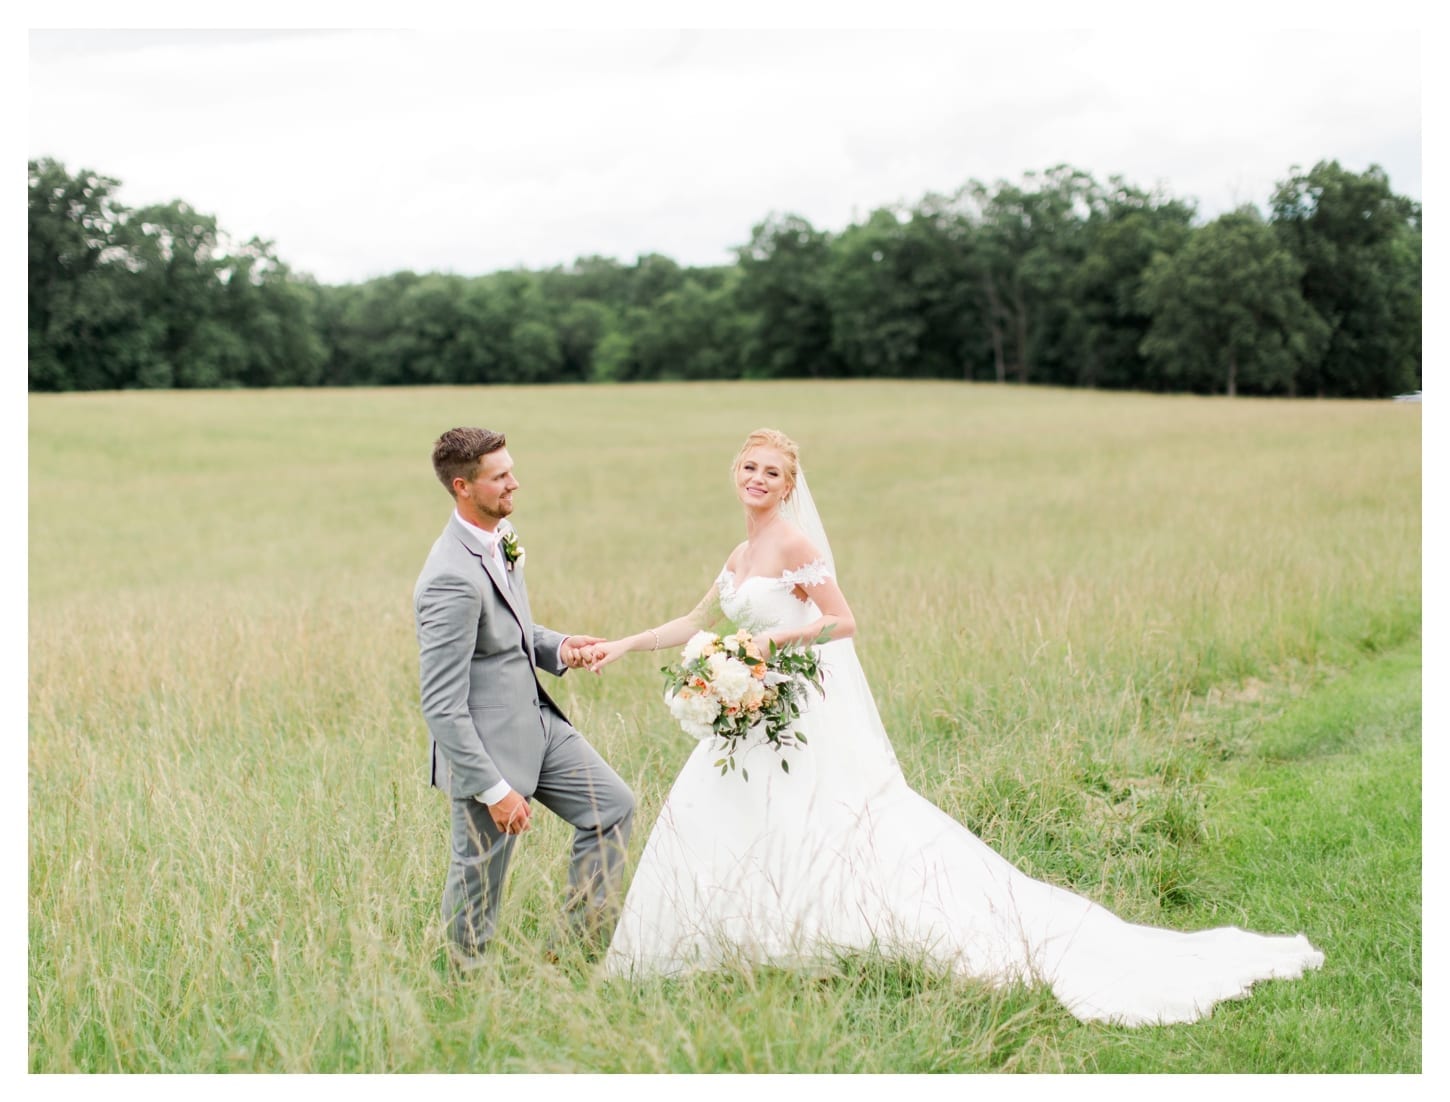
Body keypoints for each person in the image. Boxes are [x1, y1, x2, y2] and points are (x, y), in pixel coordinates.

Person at [582, 428, 1324, 1026]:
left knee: (827, 823)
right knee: (728, 818)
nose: (758, 480)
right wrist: (621, 645)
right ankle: (734, 945)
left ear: (789, 486)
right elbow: (692, 621)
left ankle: (834, 936)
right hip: (745, 716)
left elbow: (843, 622)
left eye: (773, 473)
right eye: (750, 467)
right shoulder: (740, 553)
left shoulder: (798, 548)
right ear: (734, 472)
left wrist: (766, 647)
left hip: (793, 710)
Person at [414, 427, 634, 971]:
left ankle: (574, 958)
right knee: (478, 878)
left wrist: (560, 645)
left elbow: (508, 633)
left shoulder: (500, 534)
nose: (516, 482)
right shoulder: (449, 577)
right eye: (501, 476)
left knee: (612, 807)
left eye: (511, 469)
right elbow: (441, 704)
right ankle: (462, 989)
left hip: (539, 724)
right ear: (464, 487)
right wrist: (494, 790)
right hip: (488, 751)